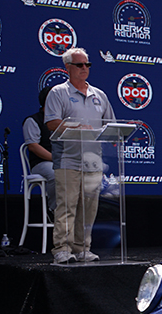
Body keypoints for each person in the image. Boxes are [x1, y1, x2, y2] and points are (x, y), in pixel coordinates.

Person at [44, 47, 115, 264]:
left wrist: (115, 133)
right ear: (68, 68)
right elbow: (52, 122)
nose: (85, 68)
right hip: (68, 158)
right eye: (80, 65)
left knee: (89, 207)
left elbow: (110, 123)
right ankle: (62, 250)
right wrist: (76, 126)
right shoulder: (58, 92)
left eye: (87, 65)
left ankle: (83, 247)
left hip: (93, 160)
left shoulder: (99, 94)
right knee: (67, 205)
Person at [22, 88, 55, 213]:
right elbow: (33, 146)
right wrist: (55, 159)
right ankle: (55, 211)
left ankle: (82, 214)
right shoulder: (32, 120)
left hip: (66, 161)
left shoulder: (63, 122)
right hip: (42, 163)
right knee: (55, 173)